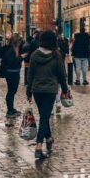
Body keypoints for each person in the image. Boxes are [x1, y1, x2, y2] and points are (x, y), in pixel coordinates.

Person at [25, 31, 69, 160]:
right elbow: (62, 75)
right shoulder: (56, 55)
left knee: (44, 115)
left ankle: (49, 139)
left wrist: (29, 92)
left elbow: (30, 75)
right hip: (50, 90)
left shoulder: (34, 55)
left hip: (37, 90)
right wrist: (65, 90)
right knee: (44, 118)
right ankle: (39, 147)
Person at [0, 33, 26, 118]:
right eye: (19, 41)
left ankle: (11, 108)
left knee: (13, 91)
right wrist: (21, 57)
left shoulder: (17, 48)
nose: (20, 43)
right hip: (11, 73)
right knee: (11, 92)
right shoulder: (10, 50)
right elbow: (12, 62)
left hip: (15, 72)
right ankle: (9, 111)